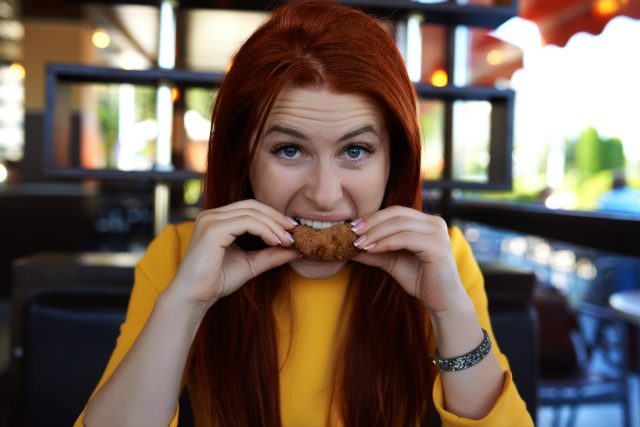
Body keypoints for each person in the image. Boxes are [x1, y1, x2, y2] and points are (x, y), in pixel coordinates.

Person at [78, 1, 534, 425]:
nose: (323, 194)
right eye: (290, 149)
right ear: (244, 156)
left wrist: (450, 309)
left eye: (355, 150)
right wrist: (186, 304)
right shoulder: (182, 255)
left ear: (393, 158)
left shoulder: (440, 260)